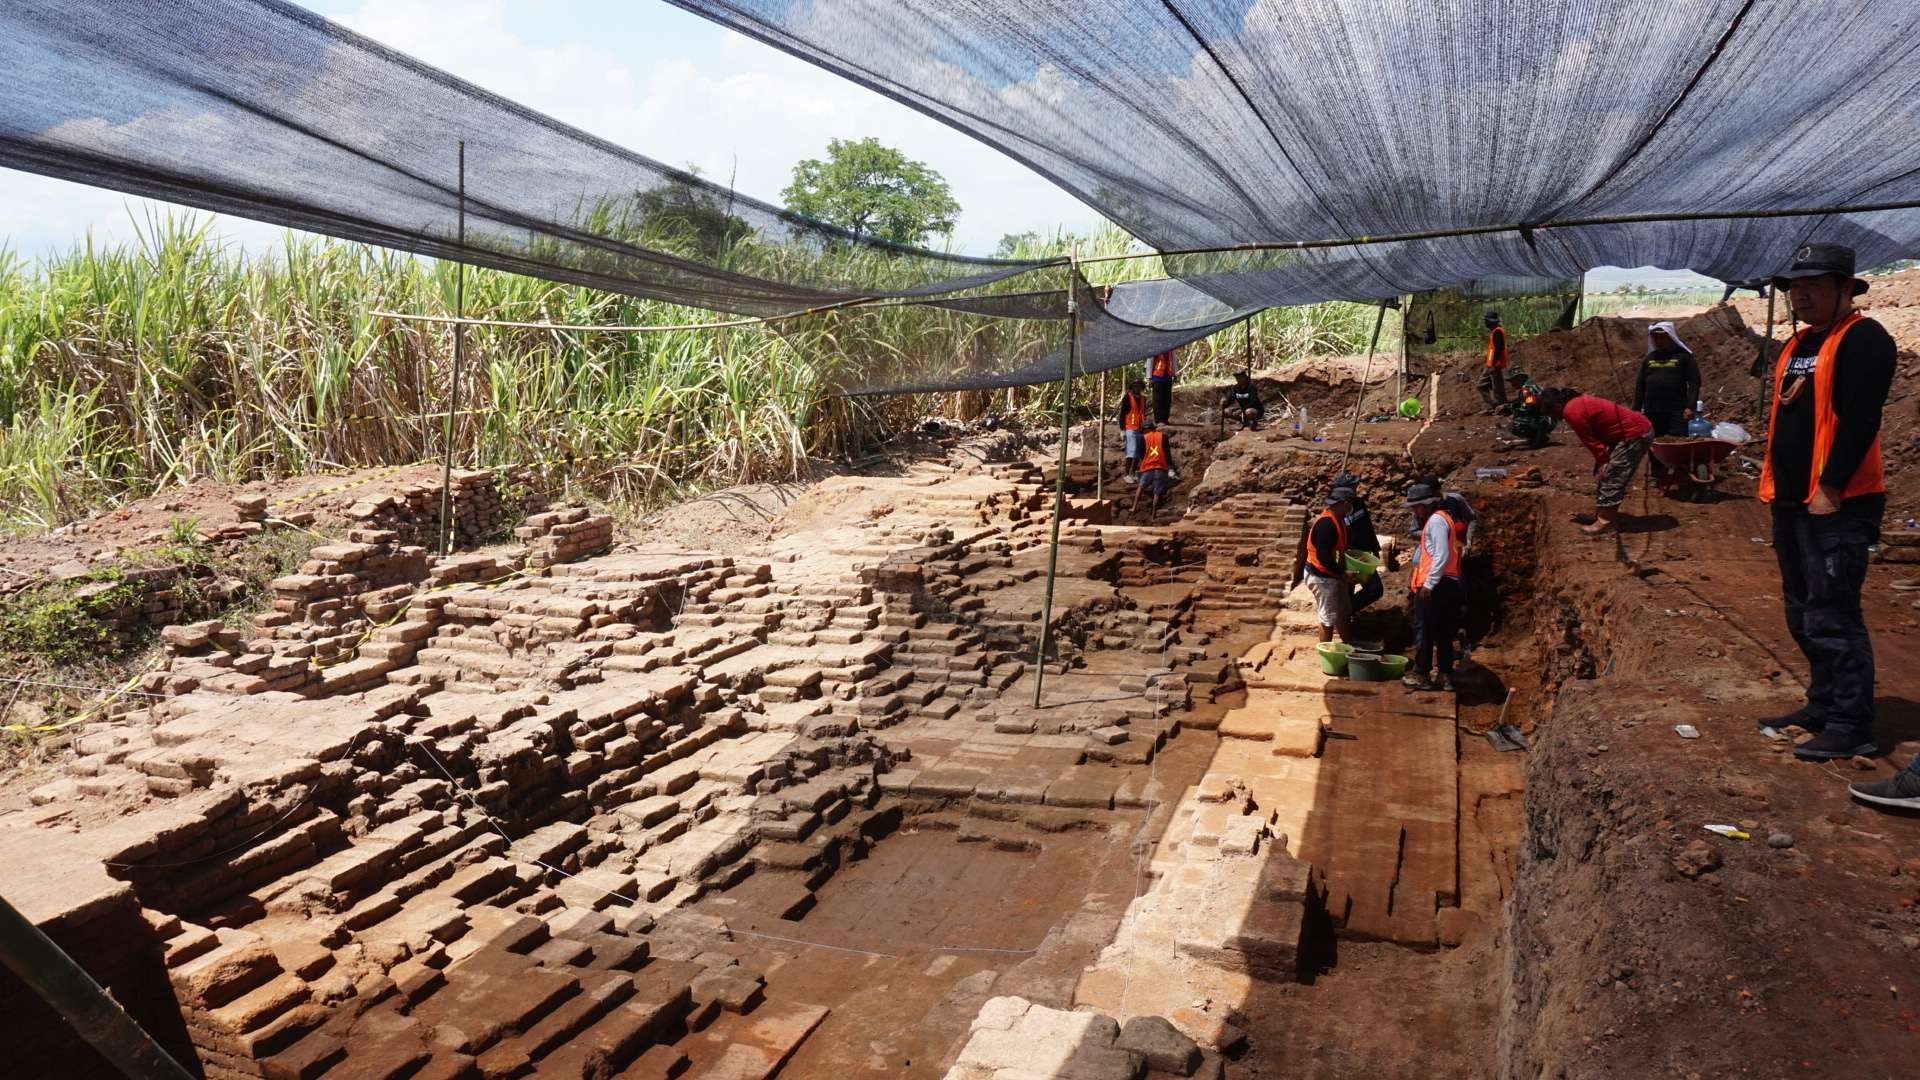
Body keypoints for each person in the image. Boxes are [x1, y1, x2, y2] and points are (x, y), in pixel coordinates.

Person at [1752, 243, 1897, 763]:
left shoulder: (1864, 339)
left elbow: (1861, 419)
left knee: (1834, 613)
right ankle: (1822, 703)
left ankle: (1850, 722)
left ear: (1844, 289)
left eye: (1813, 284)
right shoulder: (1798, 346)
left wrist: (1830, 488)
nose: (1801, 294)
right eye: (1794, 286)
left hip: (1836, 503)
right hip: (1791, 500)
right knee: (1801, 610)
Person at [1541, 389, 1653, 536]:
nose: (1555, 418)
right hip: (1625, 434)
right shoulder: (1576, 403)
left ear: (1556, 407)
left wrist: (1603, 461)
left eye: (1551, 414)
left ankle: (1606, 522)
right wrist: (1602, 459)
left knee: (1612, 476)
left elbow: (1591, 441)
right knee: (1606, 474)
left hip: (1634, 434)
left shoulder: (1572, 411)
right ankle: (1601, 514)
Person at [1403, 482, 1464, 692]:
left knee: (1425, 630)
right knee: (1443, 631)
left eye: (1416, 507)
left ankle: (1422, 674)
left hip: (1435, 585)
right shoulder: (1443, 519)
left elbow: (1441, 554)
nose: (1414, 511)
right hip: (1447, 583)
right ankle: (1446, 676)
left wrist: (1429, 583)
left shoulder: (1436, 522)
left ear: (1426, 505)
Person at [1304, 487, 1357, 644]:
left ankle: (1349, 647)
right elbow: (1323, 557)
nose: (1350, 508)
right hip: (1321, 576)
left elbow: (1337, 550)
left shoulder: (1337, 520)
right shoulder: (1327, 524)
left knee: (1343, 613)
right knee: (1328, 618)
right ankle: (1326, 655)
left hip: (1332, 574)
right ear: (1343, 504)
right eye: (1349, 505)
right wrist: (1343, 573)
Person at [1633, 321, 1701, 439]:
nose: (1659, 341)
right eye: (1656, 338)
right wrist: (1636, 410)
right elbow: (1640, 386)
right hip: (1652, 411)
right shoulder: (1649, 359)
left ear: (1670, 337)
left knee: (1677, 443)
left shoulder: (1684, 357)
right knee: (1655, 445)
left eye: (1662, 338)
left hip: (1677, 412)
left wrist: (1690, 406)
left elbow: (1695, 382)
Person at [1334, 470, 1390, 614]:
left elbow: (1368, 527)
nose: (1355, 488)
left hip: (1362, 557)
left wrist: (1375, 548)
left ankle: (1347, 612)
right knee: (1347, 591)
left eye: (1355, 486)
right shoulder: (1336, 511)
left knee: (1375, 589)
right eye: (1352, 486)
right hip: (1346, 559)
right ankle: (1345, 619)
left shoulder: (1359, 504)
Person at [1131, 418, 1176, 515]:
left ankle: (1134, 507)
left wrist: (1133, 469)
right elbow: (1167, 454)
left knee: (1141, 487)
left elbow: (1139, 455)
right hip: (1160, 467)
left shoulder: (1142, 438)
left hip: (1147, 467)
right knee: (1157, 493)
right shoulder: (1163, 436)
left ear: (1145, 429)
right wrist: (1170, 468)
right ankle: (1153, 515)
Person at [1504, 370, 1553, 448]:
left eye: (1513, 380)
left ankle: (1538, 438)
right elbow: (1522, 402)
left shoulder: (1527, 389)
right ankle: (1537, 437)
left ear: (1519, 378)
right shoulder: (1529, 386)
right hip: (1547, 418)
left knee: (1515, 425)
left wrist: (1513, 411)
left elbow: (1529, 407)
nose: (1512, 383)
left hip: (1545, 420)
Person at [1115, 378, 1148, 485]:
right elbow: (1122, 414)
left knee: (1137, 453)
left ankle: (1133, 473)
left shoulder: (1143, 399)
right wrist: (1122, 429)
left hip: (1139, 428)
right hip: (1130, 428)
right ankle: (1126, 474)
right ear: (1132, 387)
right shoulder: (1127, 398)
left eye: (1139, 386)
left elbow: (1143, 413)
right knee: (1131, 452)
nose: (1137, 388)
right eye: (1135, 386)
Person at [1477, 309, 1508, 411]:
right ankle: (1499, 405)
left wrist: (1493, 363)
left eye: (1486, 320)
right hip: (1494, 364)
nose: (1485, 323)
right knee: (1497, 386)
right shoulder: (1496, 331)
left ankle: (1494, 405)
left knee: (1482, 385)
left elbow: (1498, 349)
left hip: (1495, 364)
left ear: (1491, 321)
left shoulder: (1497, 332)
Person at [1148, 349, 1177, 424]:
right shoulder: (1155, 346)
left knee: (1167, 399)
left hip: (1168, 376)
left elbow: (1173, 360)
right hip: (1157, 376)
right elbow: (1150, 361)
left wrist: (1174, 374)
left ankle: (1165, 419)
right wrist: (1149, 377)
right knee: (1158, 399)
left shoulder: (1172, 348)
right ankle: (1159, 420)